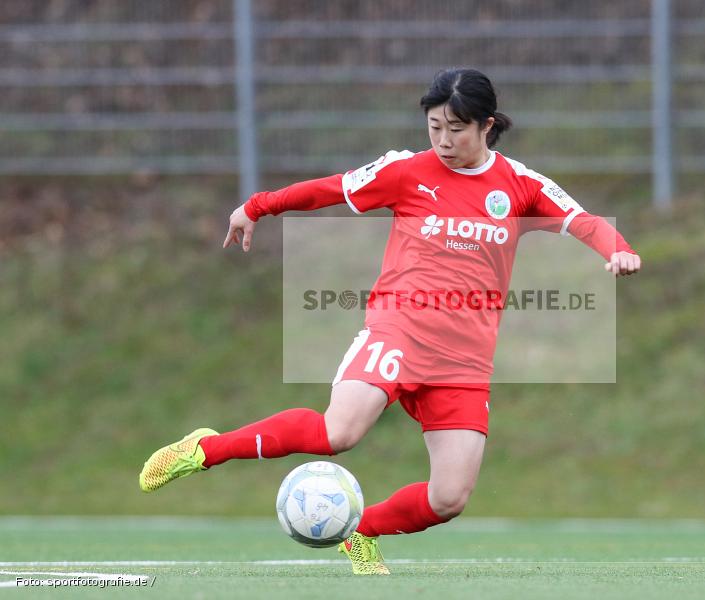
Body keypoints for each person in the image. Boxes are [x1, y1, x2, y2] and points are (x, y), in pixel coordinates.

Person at [139, 68, 641, 575]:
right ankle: (204, 449)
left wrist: (617, 251)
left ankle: (360, 534)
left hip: (464, 359)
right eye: (434, 126)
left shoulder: (520, 185)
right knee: (340, 433)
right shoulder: (406, 171)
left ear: (486, 125)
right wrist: (257, 206)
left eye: (457, 129)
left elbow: (585, 220)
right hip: (399, 329)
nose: (444, 141)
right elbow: (330, 190)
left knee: (449, 498)